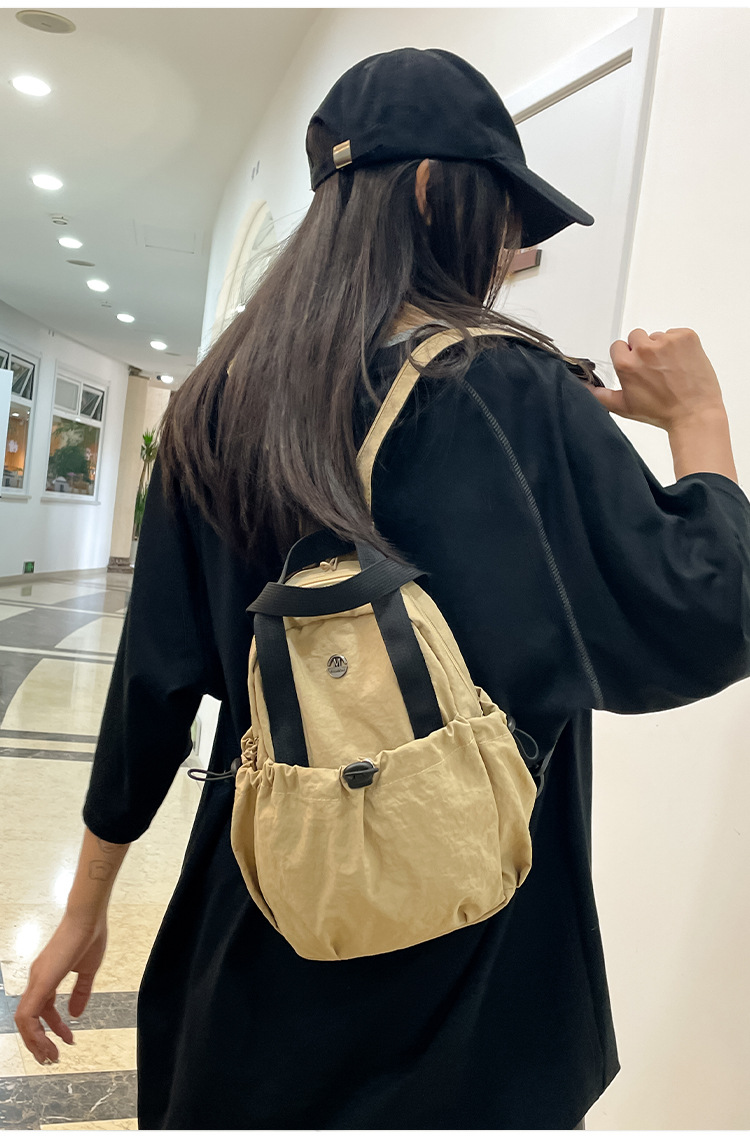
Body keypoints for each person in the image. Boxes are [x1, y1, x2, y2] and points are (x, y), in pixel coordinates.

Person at [14, 47, 750, 1129]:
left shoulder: (217, 402)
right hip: (475, 970)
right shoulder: (509, 387)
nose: (506, 252)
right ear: (432, 188)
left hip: (263, 928)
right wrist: (699, 420)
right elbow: (709, 611)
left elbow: (151, 686)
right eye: (504, 217)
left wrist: (87, 906)